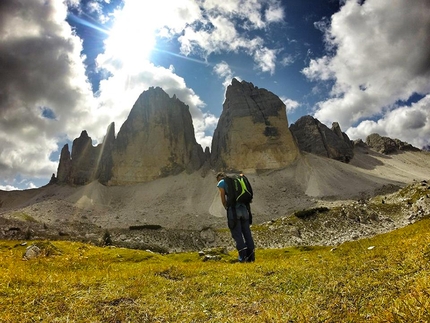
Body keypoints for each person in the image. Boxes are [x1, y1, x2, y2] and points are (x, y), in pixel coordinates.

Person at [216, 172, 255, 262]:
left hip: (234, 211)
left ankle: (243, 257)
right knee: (247, 233)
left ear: (219, 178)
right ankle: (251, 257)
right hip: (245, 210)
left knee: (237, 234)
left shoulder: (222, 182)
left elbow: (223, 198)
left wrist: (227, 207)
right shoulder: (237, 180)